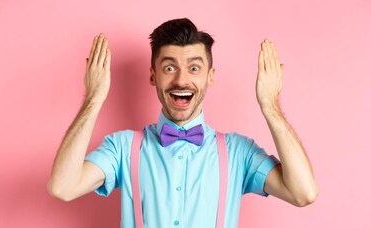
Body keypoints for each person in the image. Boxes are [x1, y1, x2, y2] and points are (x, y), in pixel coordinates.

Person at [47, 18, 318, 227]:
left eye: (194, 68)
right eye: (169, 67)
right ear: (153, 76)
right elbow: (63, 186)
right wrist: (93, 99)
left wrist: (271, 107)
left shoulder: (239, 152)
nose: (181, 80)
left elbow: (302, 193)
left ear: (210, 76)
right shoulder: (122, 148)